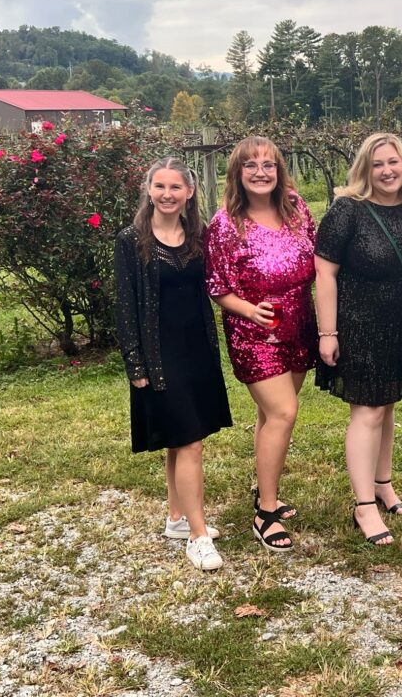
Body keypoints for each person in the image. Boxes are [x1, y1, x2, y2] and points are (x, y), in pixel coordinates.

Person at [314, 133, 402, 546]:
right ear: (365, 169)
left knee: (386, 406)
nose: (387, 171)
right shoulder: (348, 210)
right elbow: (324, 274)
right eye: (377, 164)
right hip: (358, 324)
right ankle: (363, 505)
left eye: (393, 162)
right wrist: (327, 332)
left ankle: (383, 484)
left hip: (401, 323)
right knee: (367, 411)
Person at [114, 157, 232, 571]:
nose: (167, 194)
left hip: (197, 349)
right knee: (190, 442)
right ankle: (198, 537)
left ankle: (177, 519)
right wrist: (136, 365)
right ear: (148, 190)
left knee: (181, 440)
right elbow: (125, 306)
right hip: (159, 356)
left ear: (189, 192)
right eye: (160, 186)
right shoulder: (131, 240)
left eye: (175, 187)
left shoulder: (198, 235)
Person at [204, 136, 317, 553]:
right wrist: (250, 311)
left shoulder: (296, 208)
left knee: (271, 416)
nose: (260, 172)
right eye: (250, 165)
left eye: (268, 164)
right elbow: (217, 286)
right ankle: (265, 512)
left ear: (279, 170)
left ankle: (264, 486)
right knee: (284, 412)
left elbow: (319, 259)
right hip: (254, 331)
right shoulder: (225, 224)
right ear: (237, 173)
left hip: (299, 323)